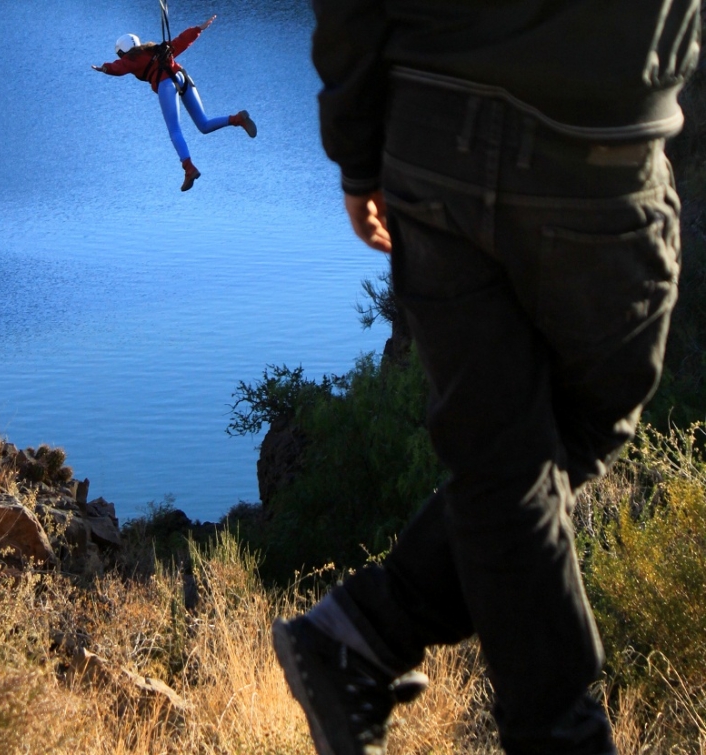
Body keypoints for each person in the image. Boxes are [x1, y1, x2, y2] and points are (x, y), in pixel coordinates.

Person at [272, 2, 700, 754]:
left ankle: (364, 634)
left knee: (503, 463)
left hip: (433, 148)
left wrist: (356, 151)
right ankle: (376, 629)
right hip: (595, 145)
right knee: (570, 434)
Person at [92, 15, 256, 192]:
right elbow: (180, 42)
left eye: (120, 54)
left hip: (166, 84)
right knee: (204, 124)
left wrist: (105, 68)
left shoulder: (131, 59)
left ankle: (189, 169)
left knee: (175, 131)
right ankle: (238, 119)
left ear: (123, 51)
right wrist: (198, 29)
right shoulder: (156, 49)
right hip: (182, 77)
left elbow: (119, 67)